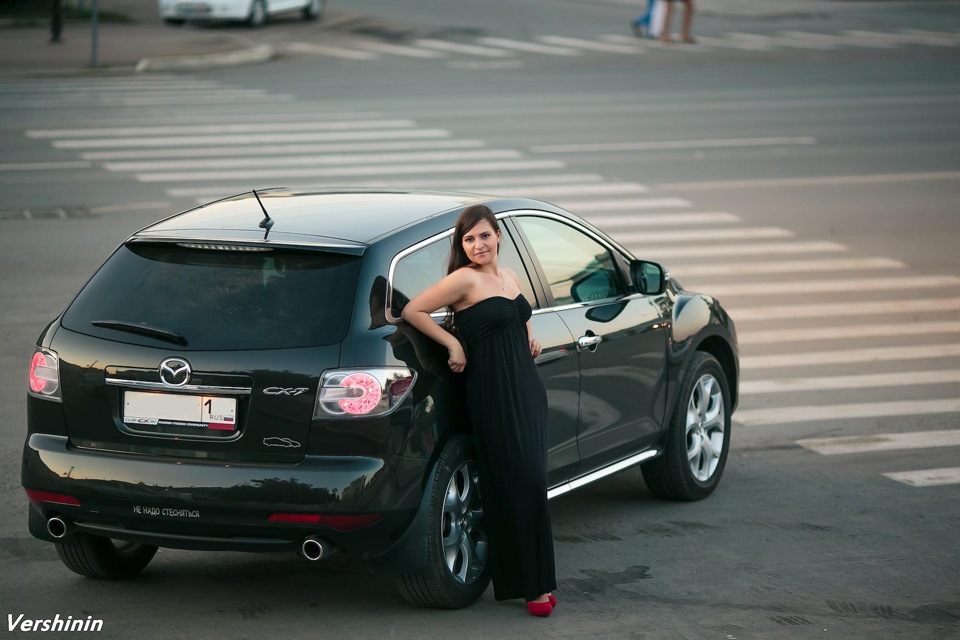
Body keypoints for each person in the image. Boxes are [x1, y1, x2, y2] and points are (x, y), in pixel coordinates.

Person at [401, 204, 558, 617]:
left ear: (498, 236)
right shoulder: (464, 279)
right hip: (493, 392)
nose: (478, 245)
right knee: (517, 482)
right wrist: (453, 343)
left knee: (534, 482)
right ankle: (531, 587)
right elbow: (413, 310)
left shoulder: (509, 276)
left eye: (484, 235)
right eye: (468, 239)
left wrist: (530, 335)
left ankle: (537, 580)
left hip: (528, 389)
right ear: (462, 245)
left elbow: (517, 315)